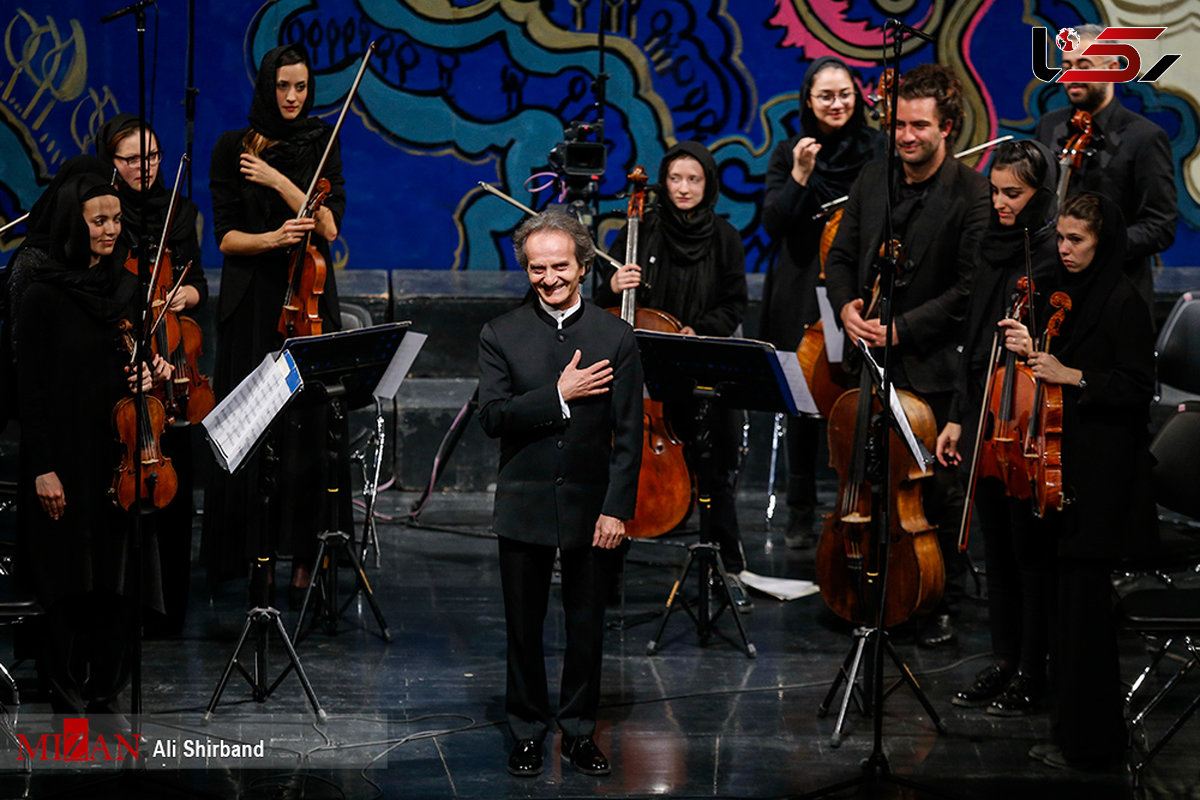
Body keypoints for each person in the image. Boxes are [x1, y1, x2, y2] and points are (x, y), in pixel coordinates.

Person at [824, 64, 990, 646]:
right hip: (868, 361)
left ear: (947, 127)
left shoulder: (974, 194)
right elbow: (841, 255)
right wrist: (845, 305)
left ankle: (934, 600)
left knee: (932, 494)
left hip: (933, 367)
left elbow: (969, 290)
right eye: (898, 125)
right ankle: (870, 587)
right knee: (868, 479)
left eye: (919, 125)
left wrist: (901, 329)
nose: (906, 136)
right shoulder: (874, 178)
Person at [478, 211, 642, 777]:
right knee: (523, 628)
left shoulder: (615, 334)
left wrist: (617, 507)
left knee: (586, 627)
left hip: (591, 507)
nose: (548, 279)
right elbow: (493, 417)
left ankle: (577, 732)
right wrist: (559, 394)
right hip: (523, 503)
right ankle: (526, 731)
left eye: (559, 267)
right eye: (536, 268)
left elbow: (629, 433)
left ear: (583, 266)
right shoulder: (501, 333)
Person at [997, 192, 1156, 770]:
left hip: (1104, 480)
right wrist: (1031, 351)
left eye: (1076, 240)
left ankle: (1094, 746)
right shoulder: (1066, 295)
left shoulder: (1123, 300)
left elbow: (1139, 389)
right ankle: (1072, 734)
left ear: (1102, 241)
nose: (1063, 249)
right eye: (1059, 237)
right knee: (1067, 614)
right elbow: (1053, 375)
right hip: (1064, 471)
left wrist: (1071, 373)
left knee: (1086, 618)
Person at [15, 172, 171, 717]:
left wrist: (148, 376)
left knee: (117, 581)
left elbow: (141, 365)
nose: (110, 229)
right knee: (69, 583)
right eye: (98, 220)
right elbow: (27, 391)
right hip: (65, 457)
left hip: (119, 456)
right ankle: (67, 694)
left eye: (115, 219)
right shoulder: (41, 296)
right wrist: (42, 468)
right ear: (72, 226)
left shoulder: (127, 288)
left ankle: (108, 689)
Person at [203, 43, 350, 602]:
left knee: (308, 434)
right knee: (252, 429)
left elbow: (329, 229)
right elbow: (225, 237)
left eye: (301, 87)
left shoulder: (322, 144)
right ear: (267, 86)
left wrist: (278, 180)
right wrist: (271, 238)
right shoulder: (229, 148)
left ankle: (304, 558)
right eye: (283, 87)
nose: (292, 97)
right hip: (255, 304)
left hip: (308, 301)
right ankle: (250, 558)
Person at [594, 140, 750, 607]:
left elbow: (733, 302)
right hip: (644, 373)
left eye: (694, 179)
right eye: (677, 179)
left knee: (715, 462)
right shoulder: (639, 230)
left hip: (699, 363)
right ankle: (608, 567)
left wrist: (699, 330)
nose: (684, 188)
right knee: (619, 461)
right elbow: (606, 303)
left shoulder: (725, 238)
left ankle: (727, 565)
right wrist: (614, 283)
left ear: (709, 185)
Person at [935, 140, 1060, 714]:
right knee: (999, 554)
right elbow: (974, 344)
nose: (1002, 202)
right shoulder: (991, 246)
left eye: (1015, 193)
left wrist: (1033, 346)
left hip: (1030, 427)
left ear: (1041, 193)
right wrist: (960, 419)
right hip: (988, 418)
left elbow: (1066, 349)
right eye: (997, 191)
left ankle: (1037, 668)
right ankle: (1006, 659)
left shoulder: (1054, 257)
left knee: (1031, 553)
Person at [760, 56, 886, 548]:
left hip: (853, 291)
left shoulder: (878, 149)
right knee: (803, 403)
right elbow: (773, 224)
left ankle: (853, 502)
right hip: (800, 290)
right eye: (826, 96)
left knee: (853, 399)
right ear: (808, 102)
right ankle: (799, 509)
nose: (837, 104)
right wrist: (799, 175)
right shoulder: (792, 151)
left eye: (845, 95)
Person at [97, 114, 208, 635]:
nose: (146, 167)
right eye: (133, 159)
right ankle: (124, 608)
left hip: (173, 367)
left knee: (173, 485)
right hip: (125, 364)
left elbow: (198, 286)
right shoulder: (105, 217)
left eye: (154, 157)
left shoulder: (179, 213)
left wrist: (183, 295)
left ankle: (171, 610)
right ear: (113, 165)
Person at [1035, 22, 1176, 306]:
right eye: (1066, 66)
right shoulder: (1050, 127)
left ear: (1113, 69)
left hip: (1117, 297)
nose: (1072, 75)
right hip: (1055, 288)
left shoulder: (1144, 137)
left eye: (1084, 66)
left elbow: (1160, 225)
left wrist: (1099, 244)